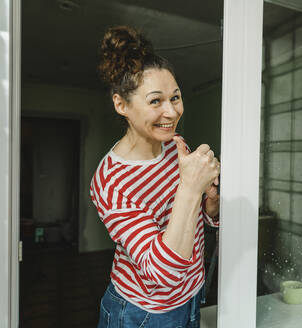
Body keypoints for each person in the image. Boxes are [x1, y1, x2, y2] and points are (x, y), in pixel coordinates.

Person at [90, 25, 220, 328]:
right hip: (143, 312)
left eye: (175, 98)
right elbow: (162, 273)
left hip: (191, 294)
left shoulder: (177, 147)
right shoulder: (110, 181)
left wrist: (210, 208)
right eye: (155, 101)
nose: (171, 112)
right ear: (121, 104)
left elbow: (190, 221)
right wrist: (190, 187)